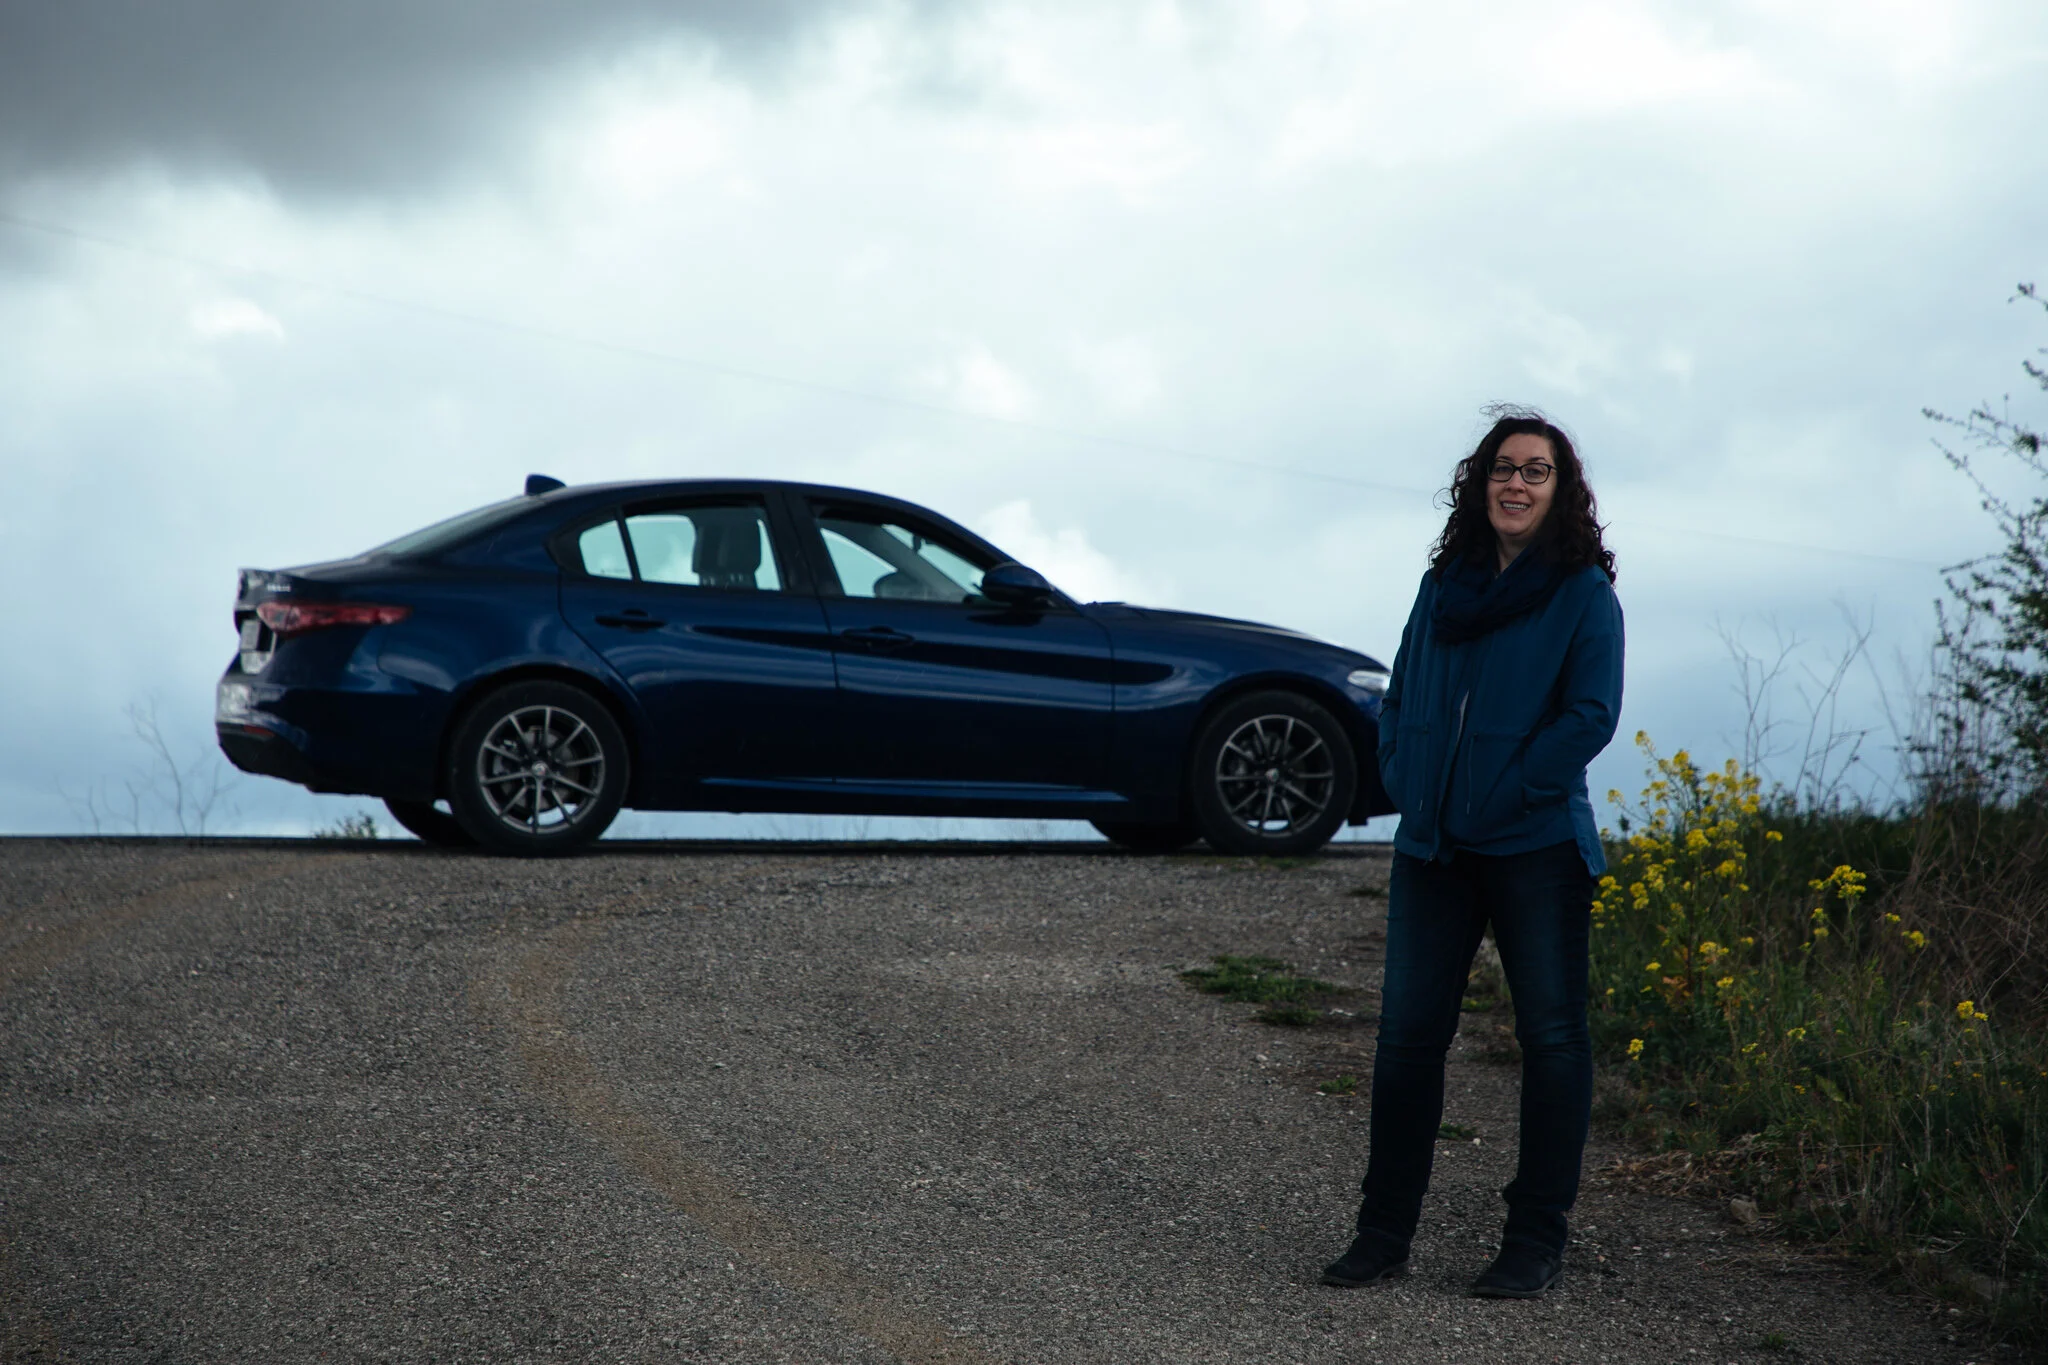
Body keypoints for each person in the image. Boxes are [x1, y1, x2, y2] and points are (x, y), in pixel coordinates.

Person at [1322, 407, 1623, 1299]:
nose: (1516, 483)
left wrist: (1512, 786)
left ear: (1560, 490)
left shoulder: (1583, 594)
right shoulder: (1442, 586)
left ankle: (1534, 1241)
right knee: (1407, 1043)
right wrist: (1401, 772)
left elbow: (1590, 716)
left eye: (1535, 470)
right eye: (1503, 467)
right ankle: (1382, 1234)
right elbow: (1401, 692)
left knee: (1553, 1042)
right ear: (1479, 482)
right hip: (1433, 847)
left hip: (1535, 844)